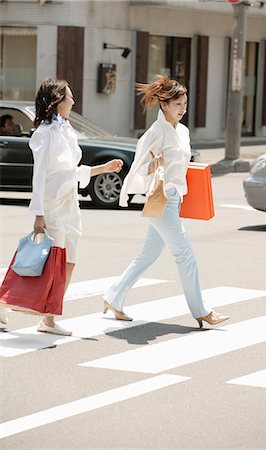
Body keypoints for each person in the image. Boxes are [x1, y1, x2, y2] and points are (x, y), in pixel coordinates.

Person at [102, 74, 230, 328]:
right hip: (160, 201)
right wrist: (154, 164)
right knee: (185, 255)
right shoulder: (156, 132)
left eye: (185, 104)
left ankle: (112, 296)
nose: (183, 109)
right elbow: (138, 169)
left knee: (148, 255)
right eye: (178, 104)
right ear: (164, 105)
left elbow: (182, 165)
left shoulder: (182, 131)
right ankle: (201, 310)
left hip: (175, 198)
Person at [0, 77, 123, 335]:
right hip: (51, 205)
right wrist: (38, 214)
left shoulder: (66, 130)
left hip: (70, 203)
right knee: (41, 260)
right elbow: (40, 175)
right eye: (70, 97)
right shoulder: (43, 134)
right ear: (58, 100)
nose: (74, 101)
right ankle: (11, 305)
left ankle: (47, 316)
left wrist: (103, 169)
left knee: (70, 261)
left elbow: (71, 170)